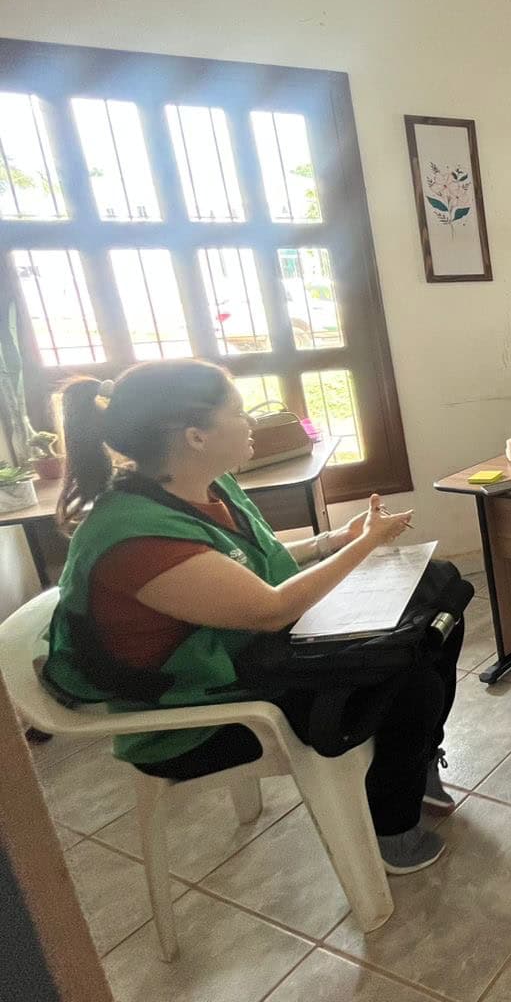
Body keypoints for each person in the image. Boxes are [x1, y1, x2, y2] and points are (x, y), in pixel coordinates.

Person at [42, 361, 463, 875]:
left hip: (249, 658)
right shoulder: (135, 538)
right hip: (200, 714)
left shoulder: (206, 487)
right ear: (196, 436)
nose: (251, 424)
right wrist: (366, 546)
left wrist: (333, 541)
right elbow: (271, 609)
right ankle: (393, 828)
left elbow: (244, 561)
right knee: (413, 678)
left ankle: (415, 762)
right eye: (239, 413)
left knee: (439, 607)